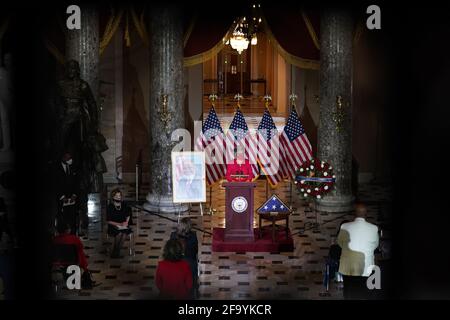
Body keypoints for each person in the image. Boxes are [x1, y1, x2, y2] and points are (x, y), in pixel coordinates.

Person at [337, 204, 379, 299]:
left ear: (354, 214)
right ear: (366, 214)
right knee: (364, 293)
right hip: (366, 269)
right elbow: (375, 246)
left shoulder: (344, 226)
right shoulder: (374, 228)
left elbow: (340, 243)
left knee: (348, 292)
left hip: (348, 268)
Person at [170, 218, 199, 298]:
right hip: (183, 261)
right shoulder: (192, 236)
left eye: (179, 224)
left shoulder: (174, 235)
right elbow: (196, 250)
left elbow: (194, 252)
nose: (177, 225)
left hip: (181, 261)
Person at [54, 152, 79, 235]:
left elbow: (76, 182)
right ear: (63, 158)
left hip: (72, 198)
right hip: (61, 199)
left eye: (70, 158)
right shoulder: (56, 168)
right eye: (68, 159)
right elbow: (55, 184)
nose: (70, 160)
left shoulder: (73, 167)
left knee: (73, 218)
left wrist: (74, 195)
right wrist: (62, 197)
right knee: (63, 218)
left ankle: (73, 236)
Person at [106, 188, 132, 258]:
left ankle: (117, 251)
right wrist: (119, 224)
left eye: (119, 196)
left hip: (123, 225)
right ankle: (116, 250)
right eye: (116, 196)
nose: (118, 197)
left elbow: (128, 214)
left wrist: (126, 222)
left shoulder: (124, 205)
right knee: (119, 233)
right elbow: (108, 221)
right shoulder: (110, 207)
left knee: (124, 233)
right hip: (113, 225)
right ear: (113, 197)